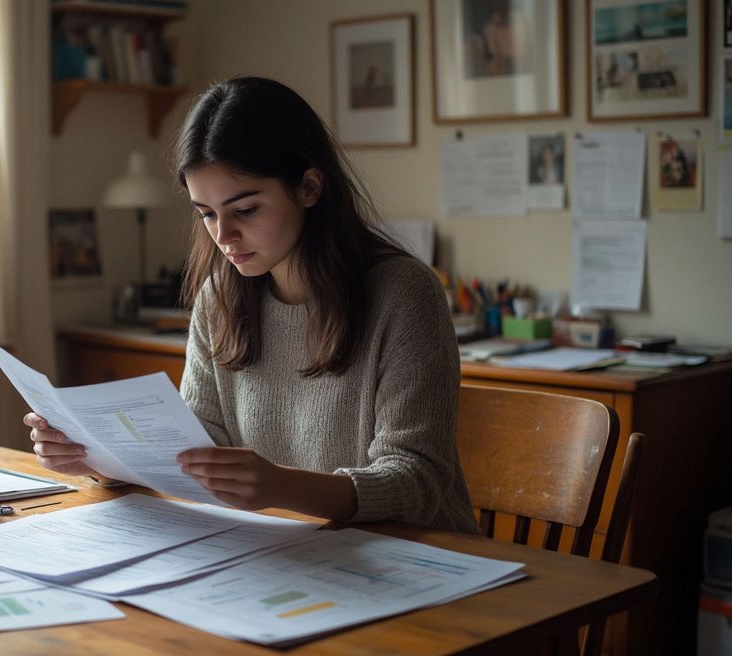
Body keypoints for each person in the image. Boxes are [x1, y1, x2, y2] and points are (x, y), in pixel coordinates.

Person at [25, 76, 478, 534]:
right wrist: (92, 457)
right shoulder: (220, 296)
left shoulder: (404, 293)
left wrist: (282, 487)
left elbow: (417, 482)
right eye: (206, 213)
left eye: (245, 210)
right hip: (290, 553)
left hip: (422, 559)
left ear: (309, 187)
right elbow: (195, 452)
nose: (223, 236)